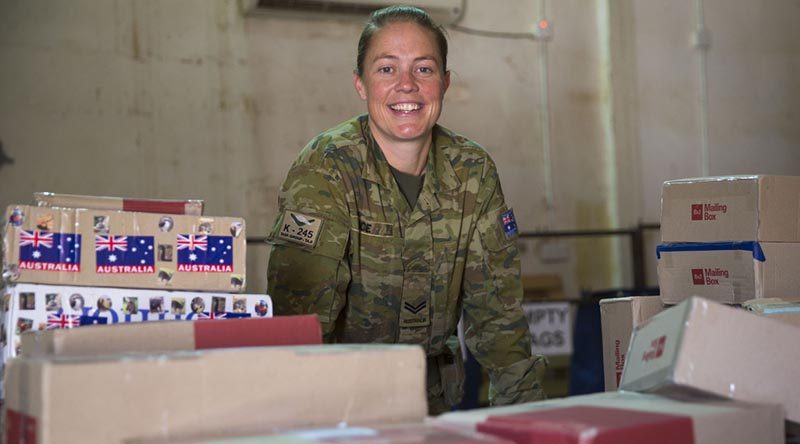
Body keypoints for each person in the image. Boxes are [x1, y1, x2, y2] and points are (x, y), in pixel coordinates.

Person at [267, 5, 545, 413]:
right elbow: (301, 326)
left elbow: (499, 318)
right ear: (360, 84)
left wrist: (530, 424)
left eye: (424, 69)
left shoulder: (474, 171)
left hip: (432, 403)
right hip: (342, 406)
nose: (406, 86)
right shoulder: (325, 168)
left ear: (445, 82)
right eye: (386, 69)